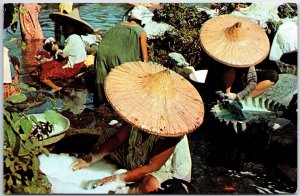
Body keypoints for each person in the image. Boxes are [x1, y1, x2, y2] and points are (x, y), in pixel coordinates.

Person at [94, 5, 148, 105]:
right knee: (119, 80)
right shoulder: (141, 32)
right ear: (143, 20)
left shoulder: (116, 26)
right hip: (118, 56)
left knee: (102, 79)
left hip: (101, 53)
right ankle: (118, 103)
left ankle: (100, 102)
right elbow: (145, 59)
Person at [38, 8, 94, 92]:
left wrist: (56, 50)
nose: (65, 26)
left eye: (69, 25)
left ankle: (57, 88)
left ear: (75, 26)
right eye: (66, 24)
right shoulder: (76, 36)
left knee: (43, 77)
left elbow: (63, 55)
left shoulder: (72, 37)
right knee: (44, 66)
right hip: (77, 62)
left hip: (73, 67)